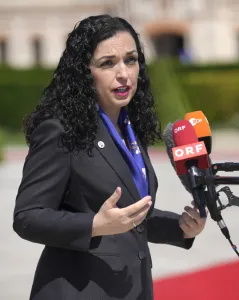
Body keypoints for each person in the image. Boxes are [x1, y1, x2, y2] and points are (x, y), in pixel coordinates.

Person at [13, 14, 207, 300]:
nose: (123, 73)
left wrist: (181, 228)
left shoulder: (129, 126)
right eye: (107, 63)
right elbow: (27, 217)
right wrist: (94, 225)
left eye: (131, 60)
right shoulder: (59, 130)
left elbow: (130, 215)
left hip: (132, 289)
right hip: (78, 290)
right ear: (84, 72)